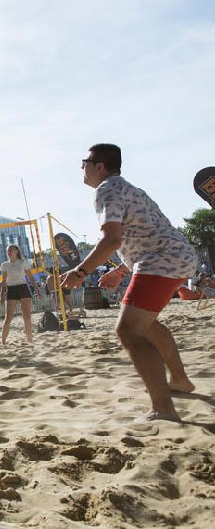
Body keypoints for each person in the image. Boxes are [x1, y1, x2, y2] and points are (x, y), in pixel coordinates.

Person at [61, 143, 196, 421]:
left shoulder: (107, 188)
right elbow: (144, 235)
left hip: (161, 259)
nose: (81, 168)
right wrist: (121, 272)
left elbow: (111, 239)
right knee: (147, 325)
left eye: (84, 162)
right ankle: (180, 380)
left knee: (128, 331)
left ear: (100, 166)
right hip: (179, 256)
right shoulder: (131, 189)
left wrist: (80, 271)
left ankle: (163, 408)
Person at [0, 244, 42, 344]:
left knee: (27, 316)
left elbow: (31, 278)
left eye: (11, 250)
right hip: (11, 289)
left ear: (16, 251)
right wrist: (1, 294)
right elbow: (3, 281)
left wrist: (38, 291)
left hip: (23, 287)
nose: (9, 252)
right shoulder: (5, 265)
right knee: (8, 318)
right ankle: (3, 341)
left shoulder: (23, 262)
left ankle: (29, 340)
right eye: (7, 251)